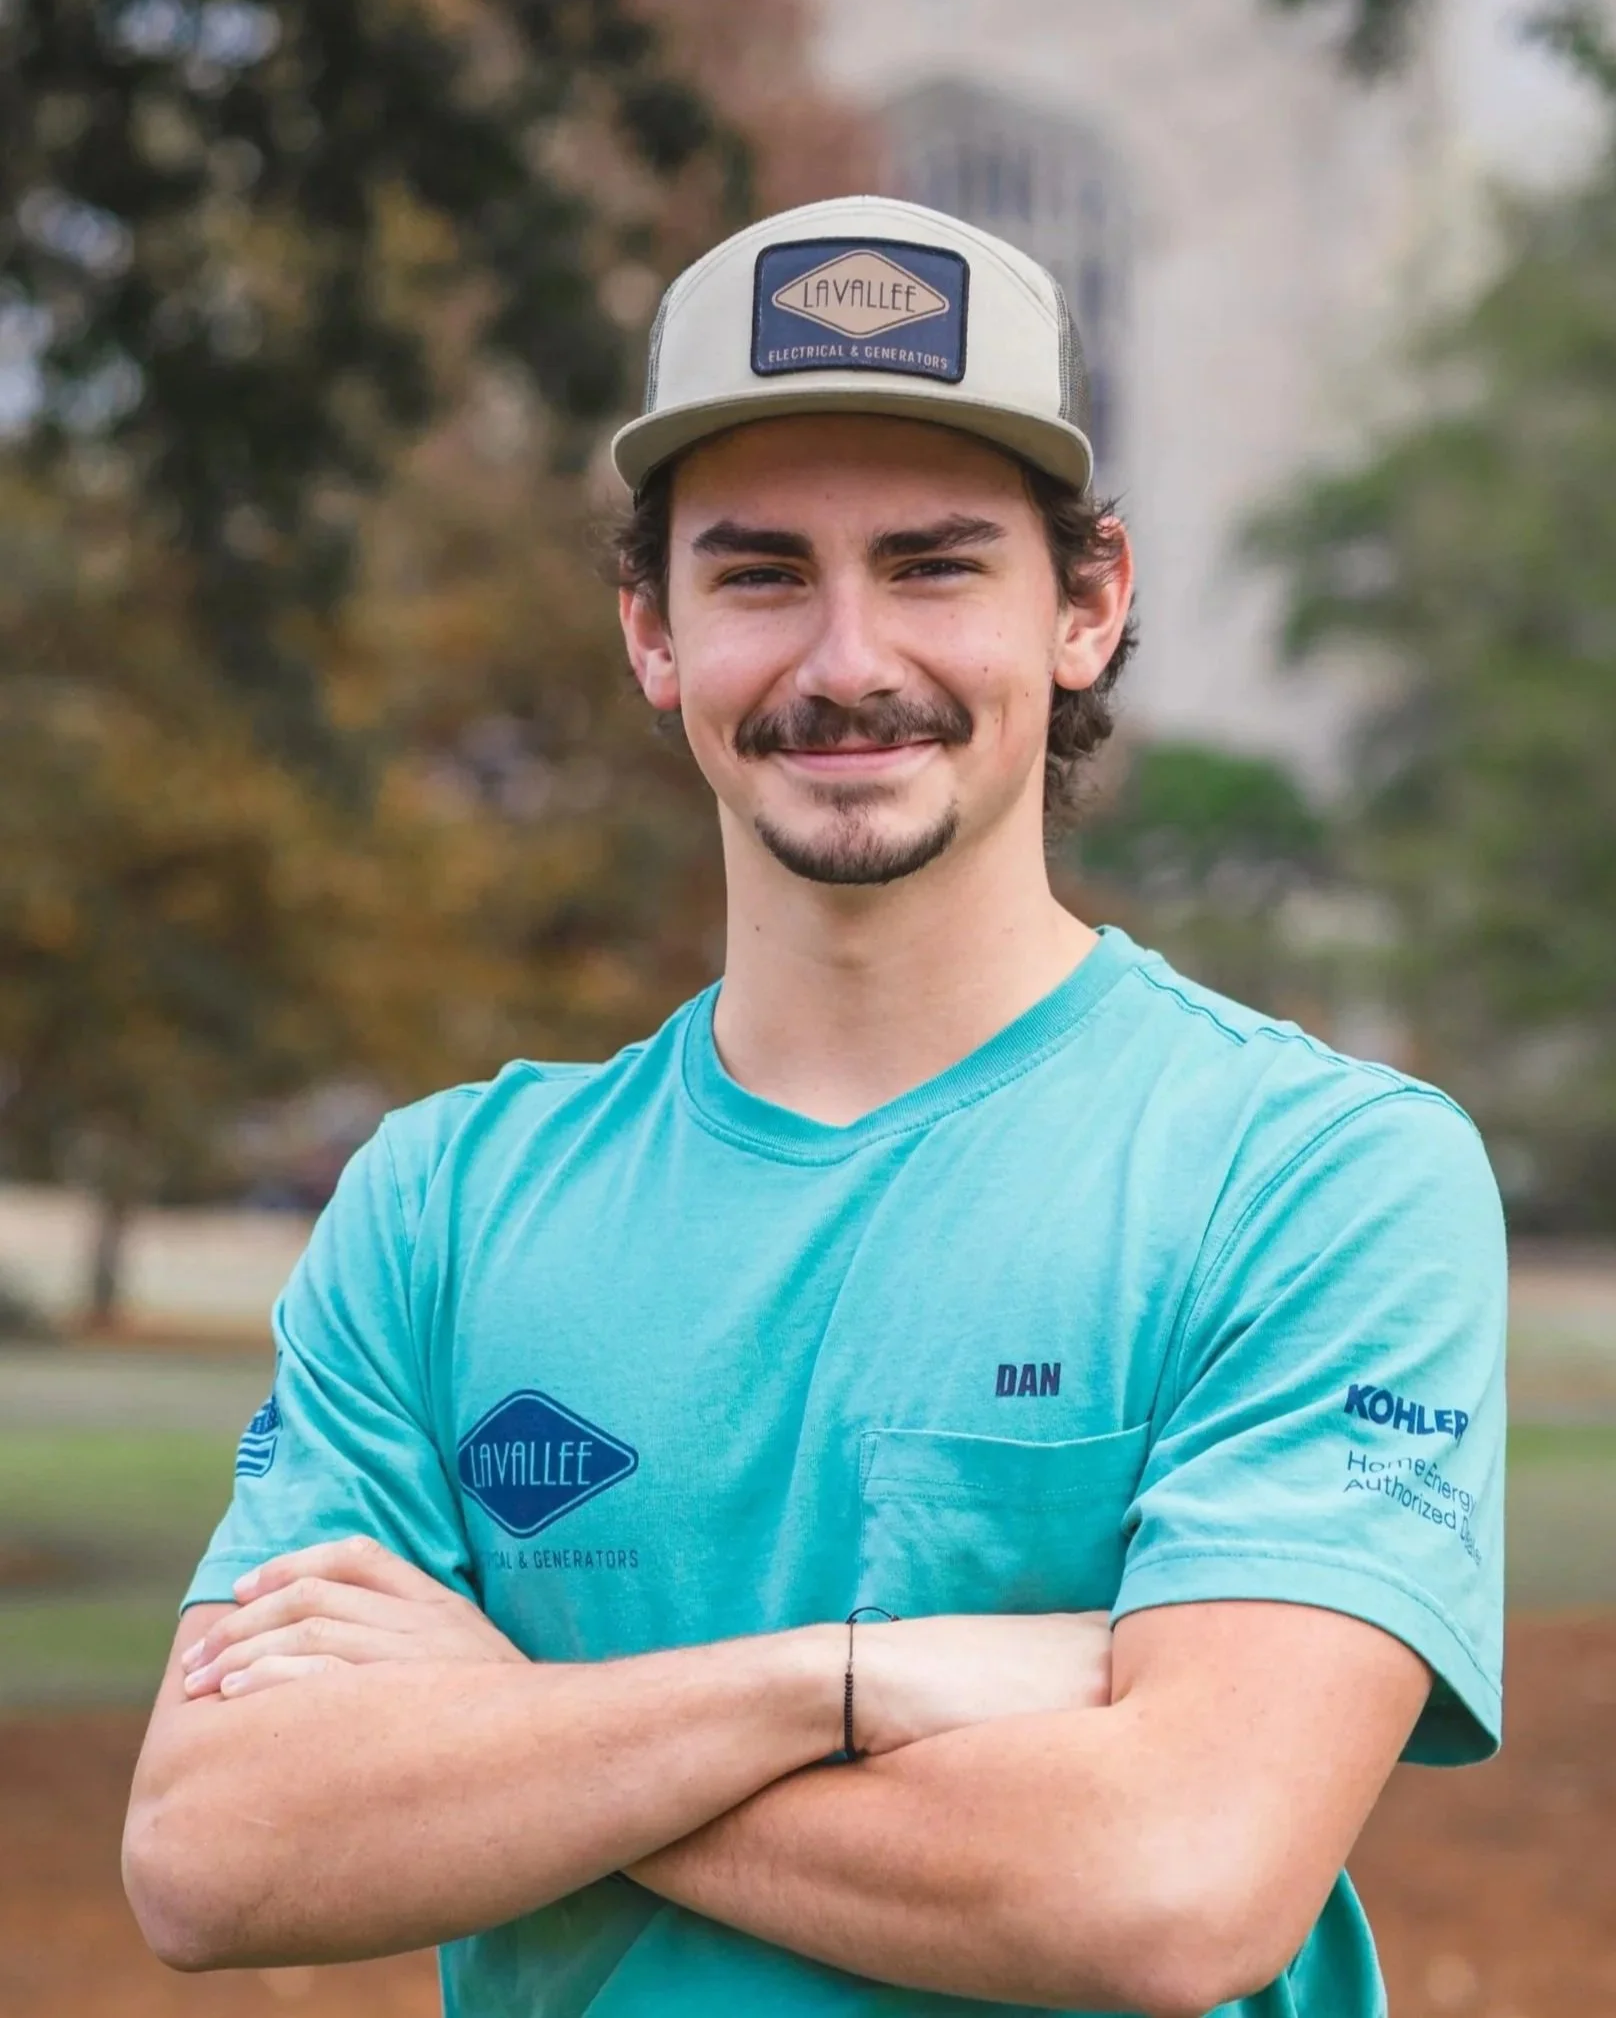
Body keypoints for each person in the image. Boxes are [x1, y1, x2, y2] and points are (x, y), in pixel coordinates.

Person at [123, 196, 1507, 2018]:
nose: (847, 661)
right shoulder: (445, 1203)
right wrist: (843, 1686)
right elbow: (217, 1849)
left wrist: (508, 1729)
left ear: (1087, 604)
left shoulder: (1317, 1176)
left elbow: (1176, 1886)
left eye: (935, 566)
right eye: (762, 574)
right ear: (652, 630)